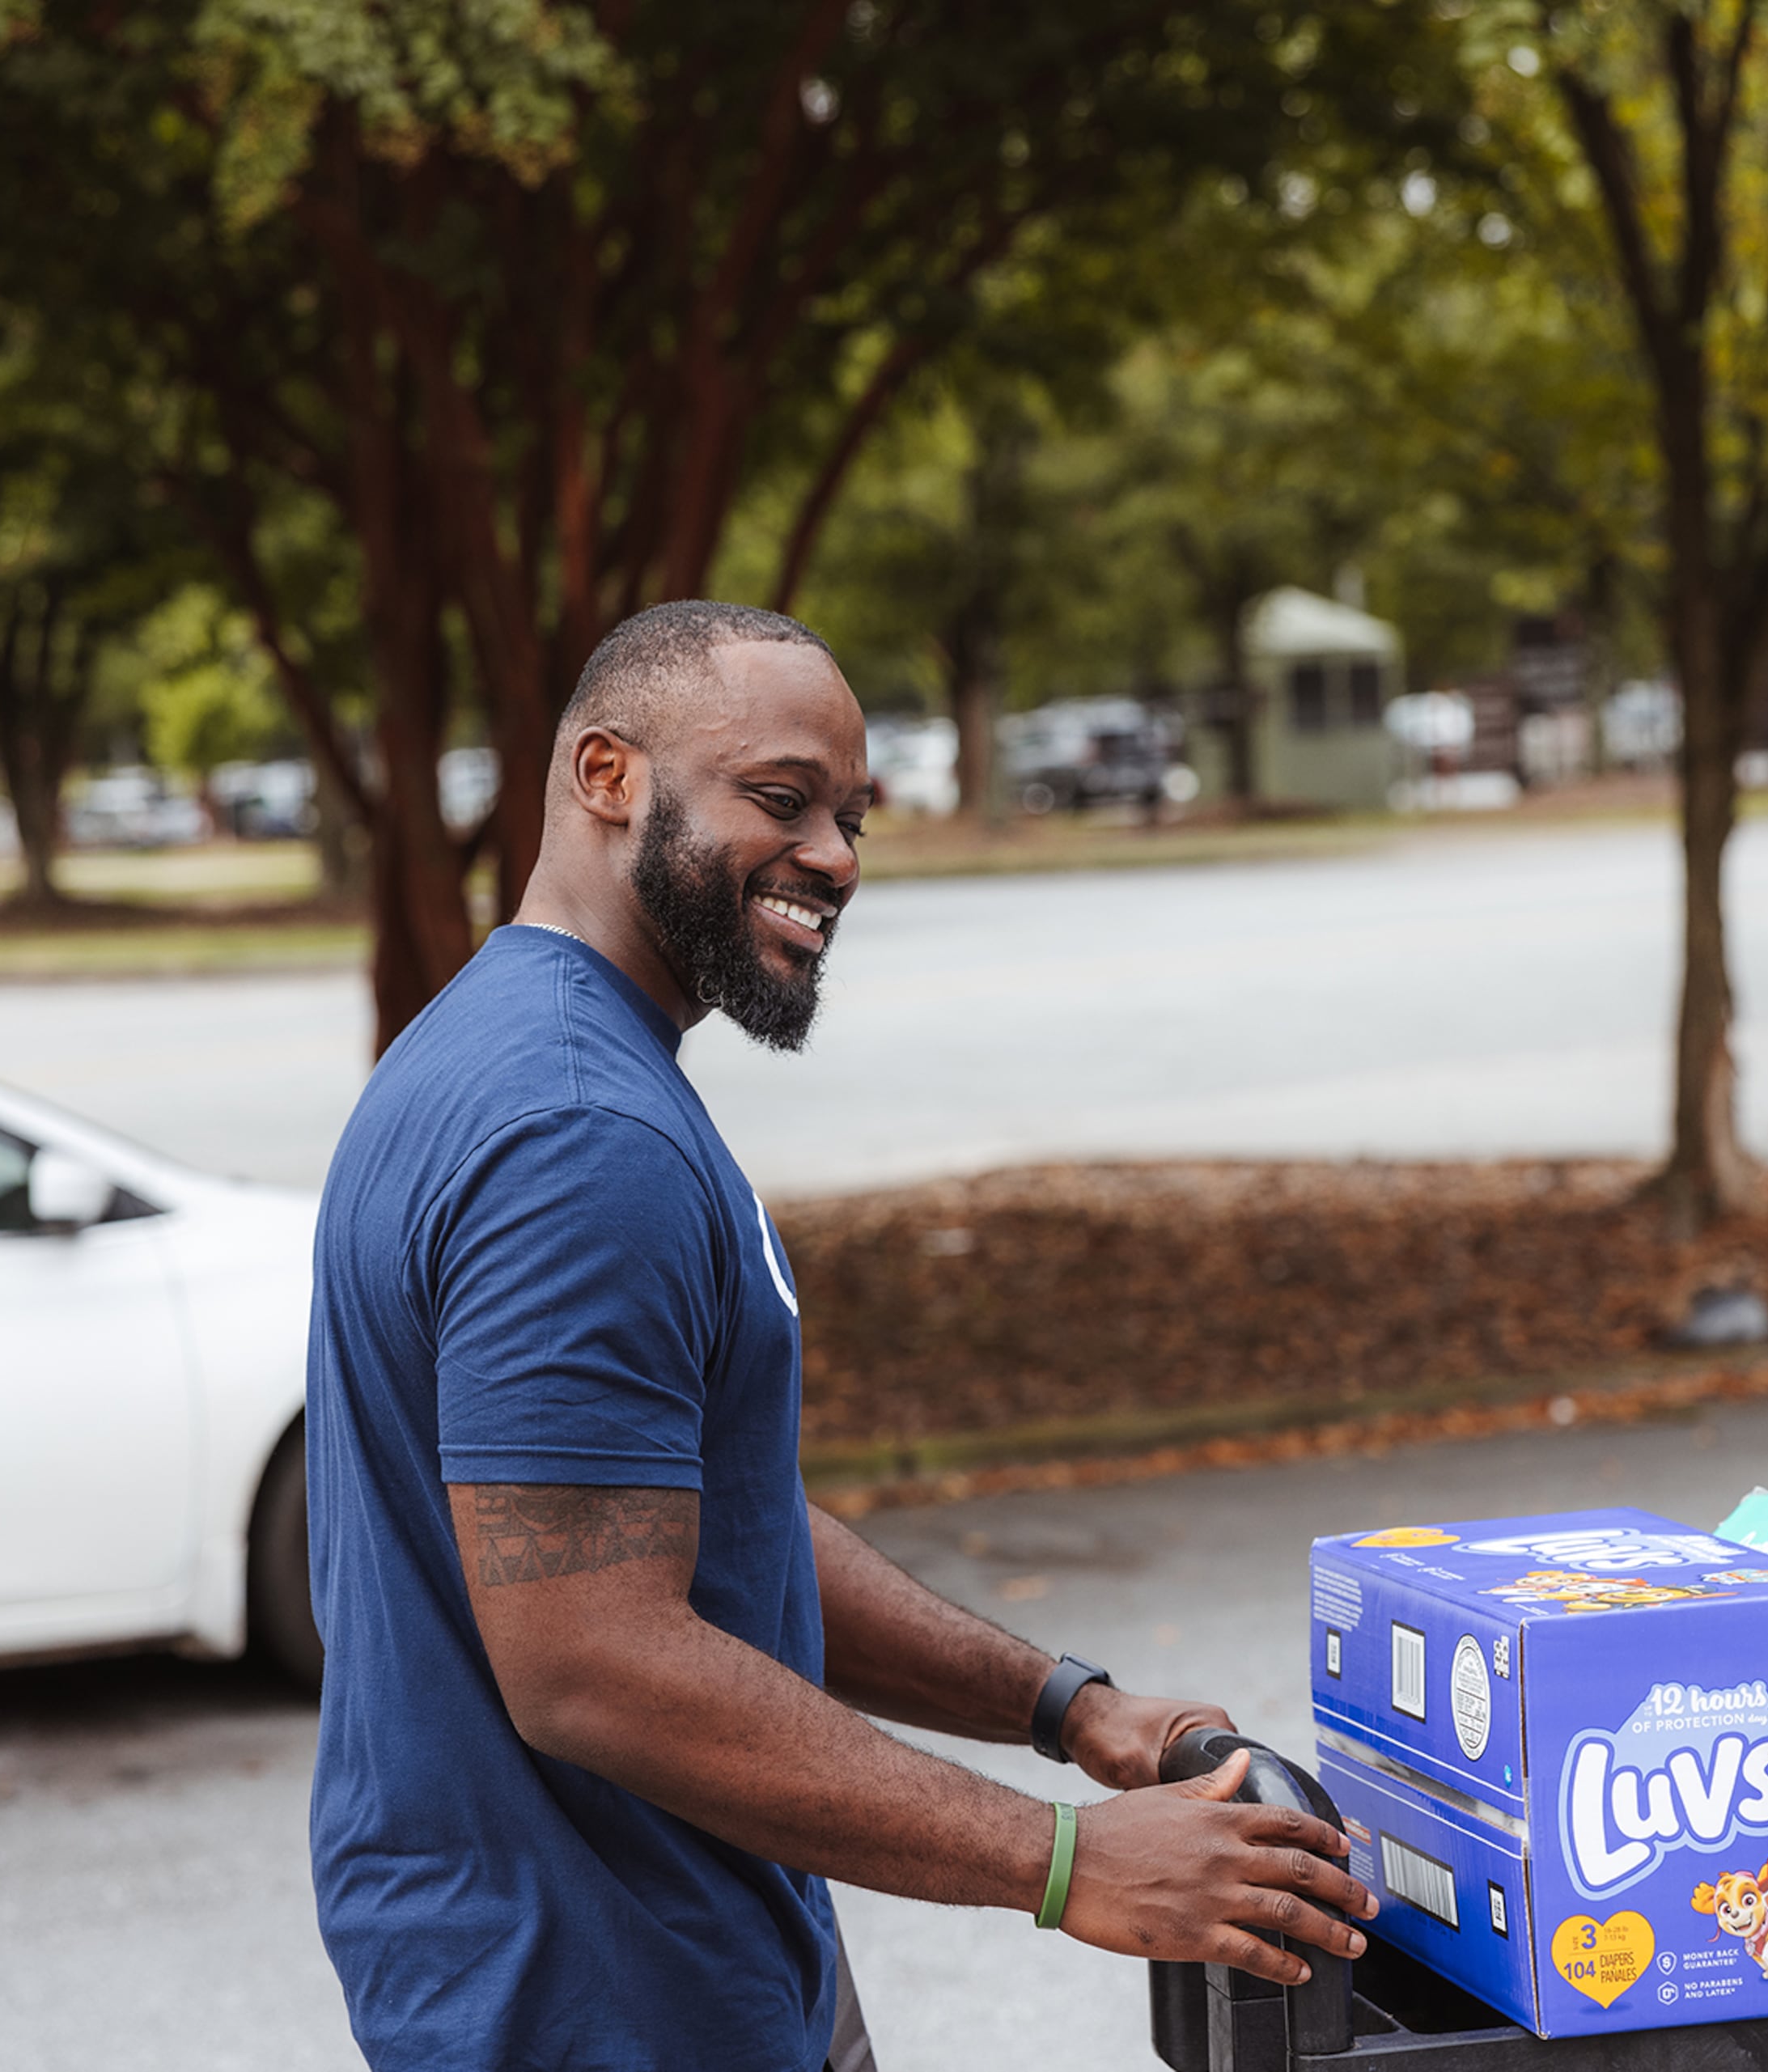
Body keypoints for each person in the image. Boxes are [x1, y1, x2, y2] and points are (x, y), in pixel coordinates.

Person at [305, 600, 1374, 2072]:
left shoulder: (514, 1049)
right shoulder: (575, 1135)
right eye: (781, 798)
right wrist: (1067, 1863)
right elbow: (593, 1659)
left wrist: (1067, 1708)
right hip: (602, 2002)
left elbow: (685, 1525)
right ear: (607, 776)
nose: (836, 858)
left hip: (643, 1963)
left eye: (854, 816)